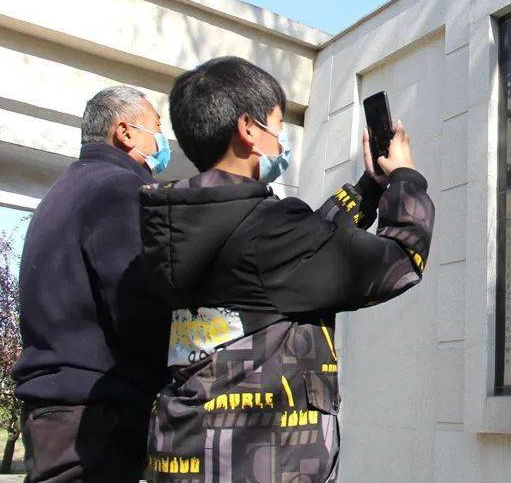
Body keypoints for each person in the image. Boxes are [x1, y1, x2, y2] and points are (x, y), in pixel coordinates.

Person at [140, 56, 434, 481]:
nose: (281, 140)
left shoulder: (178, 221)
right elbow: (400, 260)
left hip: (186, 450)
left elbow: (300, 250)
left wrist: (370, 188)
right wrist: (407, 178)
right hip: (259, 461)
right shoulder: (267, 230)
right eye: (277, 127)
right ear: (248, 129)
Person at [12, 86, 173, 481]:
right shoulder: (118, 189)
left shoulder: (63, 192)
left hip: (57, 410)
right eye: (157, 127)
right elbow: (136, 303)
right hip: (96, 415)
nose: (163, 140)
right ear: (125, 131)